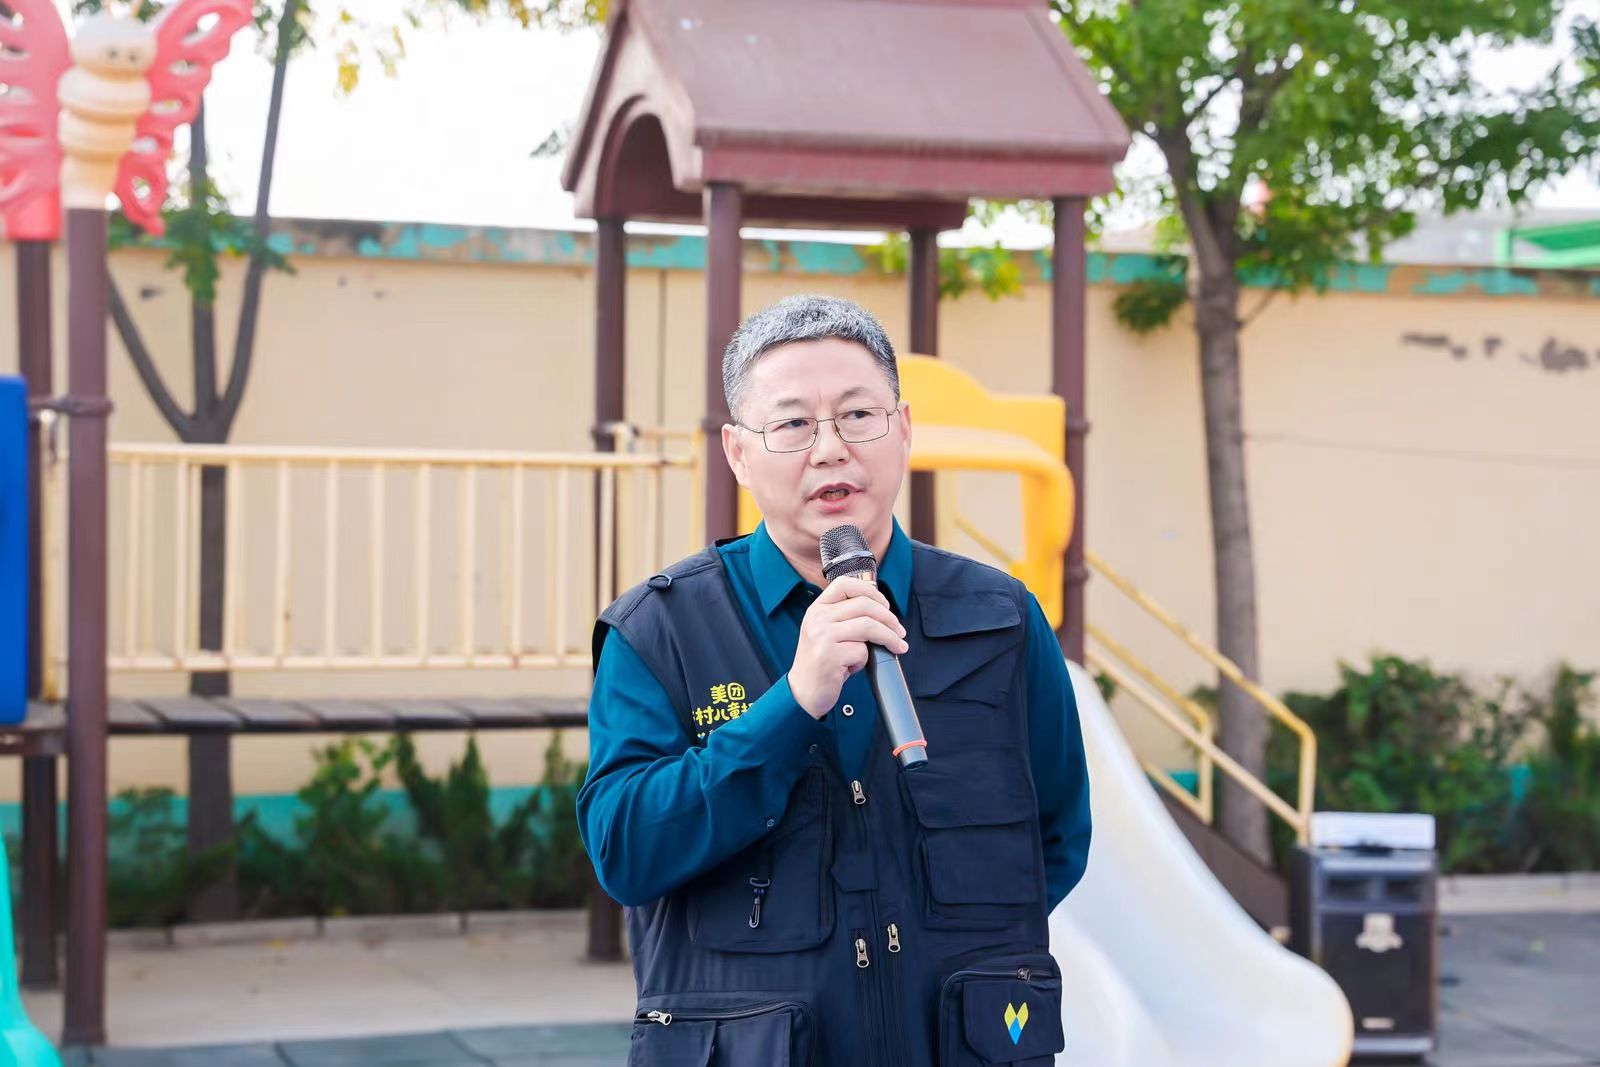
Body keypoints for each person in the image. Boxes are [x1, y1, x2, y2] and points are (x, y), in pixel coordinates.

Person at [577, 294, 1091, 1066]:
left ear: (904, 428)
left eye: (858, 415)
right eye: (792, 423)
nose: (831, 449)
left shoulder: (1004, 619)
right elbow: (625, 850)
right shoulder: (659, 631)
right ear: (738, 452)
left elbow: (1057, 835)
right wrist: (792, 704)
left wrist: (945, 943)